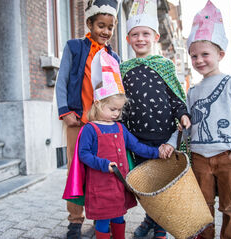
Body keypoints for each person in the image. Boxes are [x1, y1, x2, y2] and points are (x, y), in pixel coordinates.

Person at [76, 49, 168, 238]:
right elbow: (83, 154)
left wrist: (156, 152)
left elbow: (136, 146)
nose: (117, 114)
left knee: (118, 216)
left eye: (119, 110)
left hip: (119, 184)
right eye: (112, 109)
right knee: (102, 219)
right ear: (98, 104)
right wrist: (103, 164)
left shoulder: (120, 128)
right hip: (100, 185)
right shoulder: (90, 129)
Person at [120, 0, 191, 238]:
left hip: (163, 139)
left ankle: (160, 227)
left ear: (156, 37)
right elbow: (120, 103)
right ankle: (151, 218)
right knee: (146, 186)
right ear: (128, 39)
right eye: (135, 34)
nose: (140, 38)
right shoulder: (124, 69)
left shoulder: (165, 66)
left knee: (164, 187)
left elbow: (175, 97)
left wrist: (182, 114)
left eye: (145, 34)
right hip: (137, 140)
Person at [185, 1, 231, 238]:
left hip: (227, 156)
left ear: (220, 54)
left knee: (230, 204)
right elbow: (188, 124)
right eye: (194, 56)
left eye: (205, 54)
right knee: (202, 206)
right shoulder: (192, 91)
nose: (199, 60)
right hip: (199, 157)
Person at [55, 1, 121, 238]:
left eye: (110, 27)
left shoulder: (114, 56)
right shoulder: (74, 47)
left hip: (102, 125)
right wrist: (65, 111)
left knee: (101, 171)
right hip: (78, 121)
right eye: (101, 25)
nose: (105, 31)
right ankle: (74, 221)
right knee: (76, 170)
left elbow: (116, 92)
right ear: (90, 24)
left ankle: (101, 218)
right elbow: (62, 80)